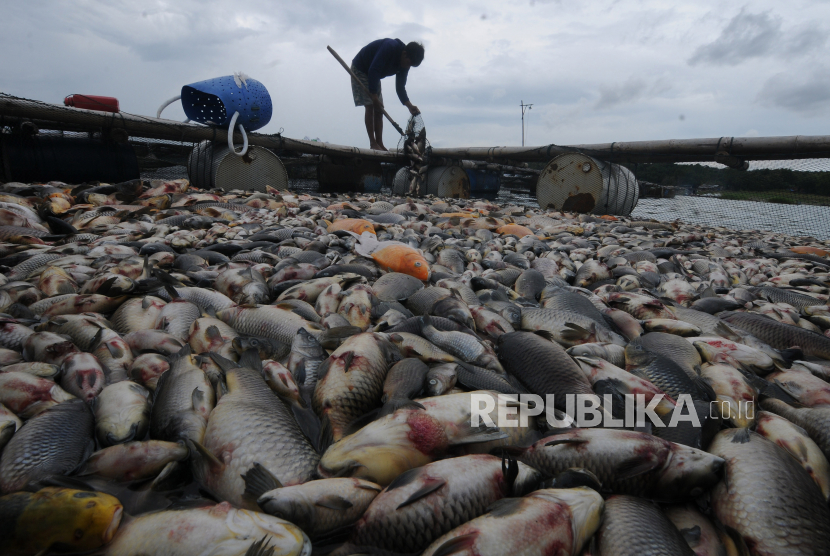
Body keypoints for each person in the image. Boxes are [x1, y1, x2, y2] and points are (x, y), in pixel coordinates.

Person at [351, 39, 424, 151]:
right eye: (409, 63)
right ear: (404, 54)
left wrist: (409, 105)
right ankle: (373, 143)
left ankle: (379, 143)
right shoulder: (390, 47)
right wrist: (374, 96)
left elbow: (400, 87)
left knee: (379, 109)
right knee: (370, 105)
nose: (408, 67)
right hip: (361, 69)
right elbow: (373, 69)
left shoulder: (405, 65)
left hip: (374, 74)